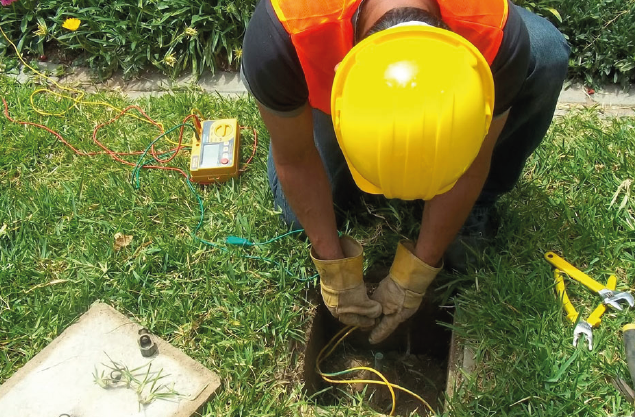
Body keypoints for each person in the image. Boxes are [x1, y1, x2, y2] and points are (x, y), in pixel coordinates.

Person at [241, 0, 570, 344]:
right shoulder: (282, 32)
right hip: (312, 74)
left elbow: (473, 162)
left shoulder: (494, 38)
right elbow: (295, 160)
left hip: (473, 58)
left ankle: (478, 204)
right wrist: (333, 268)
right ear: (342, 72)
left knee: (545, 52)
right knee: (298, 216)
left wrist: (417, 272)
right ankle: (295, 116)